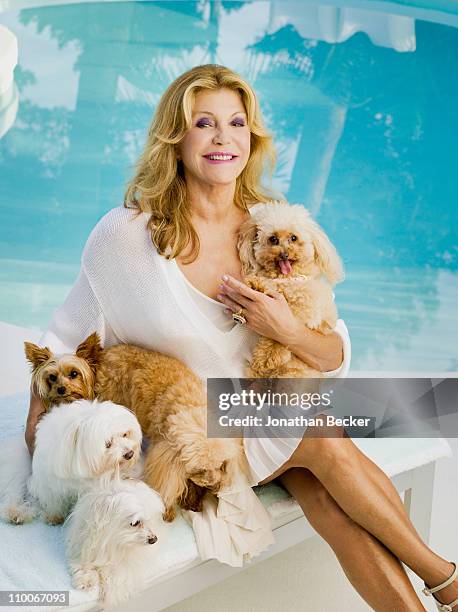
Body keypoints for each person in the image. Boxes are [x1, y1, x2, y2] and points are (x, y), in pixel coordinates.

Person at [25, 65, 457, 611]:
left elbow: (331, 351)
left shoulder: (269, 228)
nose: (222, 137)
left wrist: (285, 328)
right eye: (203, 123)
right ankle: (449, 580)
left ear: (250, 138)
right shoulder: (126, 238)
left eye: (236, 122)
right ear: (175, 137)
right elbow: (65, 335)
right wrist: (40, 440)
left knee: (325, 487)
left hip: (266, 408)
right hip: (195, 423)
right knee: (323, 431)